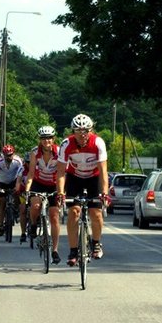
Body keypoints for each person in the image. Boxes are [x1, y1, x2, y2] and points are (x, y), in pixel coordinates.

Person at [56, 114, 109, 266]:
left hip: (94, 178)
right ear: (73, 132)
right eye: (78, 131)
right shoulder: (67, 144)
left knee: (96, 213)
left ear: (90, 130)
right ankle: (73, 250)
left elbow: (103, 171)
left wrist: (104, 194)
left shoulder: (98, 143)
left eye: (86, 131)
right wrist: (60, 193)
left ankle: (96, 242)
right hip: (75, 178)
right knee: (73, 212)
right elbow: (60, 172)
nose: (82, 134)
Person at [23, 125, 62, 263]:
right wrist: (27, 189)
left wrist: (62, 191)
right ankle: (33, 224)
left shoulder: (60, 152)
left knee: (54, 216)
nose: (47, 141)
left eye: (49, 138)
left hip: (54, 184)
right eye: (44, 138)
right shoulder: (35, 152)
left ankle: (55, 250)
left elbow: (62, 173)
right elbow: (31, 173)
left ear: (53, 139)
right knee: (35, 205)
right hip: (38, 183)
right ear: (40, 140)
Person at [0, 144, 24, 236]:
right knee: (1, 202)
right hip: (2, 182)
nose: (9, 157)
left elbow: (21, 173)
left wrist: (18, 186)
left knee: (17, 194)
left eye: (10, 155)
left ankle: (17, 210)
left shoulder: (17, 161)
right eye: (7, 155)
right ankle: (1, 224)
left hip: (14, 181)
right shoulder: (0, 161)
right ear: (3, 155)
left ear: (13, 154)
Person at [15, 151, 32, 242]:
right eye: (28, 162)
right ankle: (23, 233)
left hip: (34, 191)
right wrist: (17, 190)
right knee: (23, 210)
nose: (29, 164)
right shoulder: (22, 169)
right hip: (23, 191)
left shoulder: (37, 167)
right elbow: (18, 181)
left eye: (31, 162)